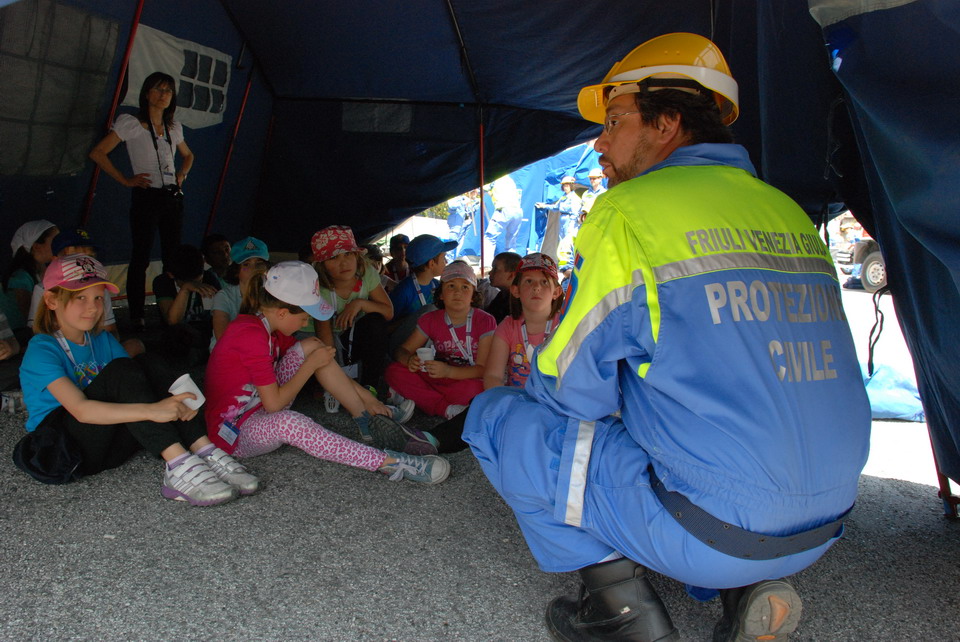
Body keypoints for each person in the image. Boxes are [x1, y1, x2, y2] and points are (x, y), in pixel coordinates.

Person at [464, 32, 871, 642]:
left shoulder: (631, 211)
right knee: (701, 424)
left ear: (667, 122)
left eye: (615, 120)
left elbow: (569, 387)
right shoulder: (785, 210)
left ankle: (620, 612)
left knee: (500, 418)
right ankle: (746, 590)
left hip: (710, 529)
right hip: (825, 525)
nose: (600, 142)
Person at [18, 254, 248, 505]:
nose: (93, 307)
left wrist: (178, 401)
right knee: (121, 370)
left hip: (108, 444)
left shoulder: (100, 339)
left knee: (146, 362)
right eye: (80, 297)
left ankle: (204, 449)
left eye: (98, 297)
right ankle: (178, 465)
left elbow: (135, 380)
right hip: (63, 451)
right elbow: (82, 411)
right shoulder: (42, 348)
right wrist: (154, 410)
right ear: (51, 300)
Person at [204, 260, 447, 482]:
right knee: (290, 423)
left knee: (313, 346)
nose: (305, 324)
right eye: (304, 317)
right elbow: (274, 405)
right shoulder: (251, 335)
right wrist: (310, 365)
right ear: (282, 312)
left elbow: (309, 360)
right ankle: (391, 464)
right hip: (236, 433)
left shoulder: (265, 324)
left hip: (256, 406)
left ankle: (364, 414)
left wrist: (368, 397)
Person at [89, 71, 195, 331]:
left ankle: (172, 312)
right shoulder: (132, 123)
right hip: (147, 196)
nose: (163, 95)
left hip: (171, 196)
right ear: (147, 93)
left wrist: (182, 174)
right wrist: (125, 180)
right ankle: (137, 315)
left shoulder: (173, 127)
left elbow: (189, 155)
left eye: (168, 91)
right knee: (141, 255)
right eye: (158, 89)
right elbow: (98, 152)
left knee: (172, 256)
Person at [387, 261, 495, 420]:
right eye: (451, 286)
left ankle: (421, 397)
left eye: (465, 287)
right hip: (436, 374)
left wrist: (449, 371)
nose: (457, 292)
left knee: (476, 390)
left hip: (466, 379)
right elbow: (402, 351)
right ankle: (446, 408)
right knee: (394, 371)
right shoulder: (430, 319)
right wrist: (409, 360)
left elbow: (483, 369)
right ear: (441, 294)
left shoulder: (485, 321)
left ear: (473, 295)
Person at [26, 228, 145, 359]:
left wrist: (97, 349)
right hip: (63, 355)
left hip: (95, 353)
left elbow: (110, 330)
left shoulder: (99, 288)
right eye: (75, 257)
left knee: (135, 346)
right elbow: (38, 332)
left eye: (90, 257)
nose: (84, 262)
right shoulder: (44, 290)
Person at [483, 253, 563, 390]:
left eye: (544, 282)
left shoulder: (564, 325)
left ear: (556, 292)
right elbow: (493, 376)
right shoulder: (508, 326)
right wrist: (504, 399)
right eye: (529, 281)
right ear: (516, 290)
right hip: (516, 398)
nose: (536, 287)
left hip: (554, 399)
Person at [3, 220, 59, 346]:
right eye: (54, 241)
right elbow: (32, 317)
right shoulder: (20, 278)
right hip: (17, 339)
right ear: (37, 246)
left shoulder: (42, 272)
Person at [210, 236, 271, 351]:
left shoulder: (272, 294)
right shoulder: (224, 296)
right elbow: (222, 338)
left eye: (259, 264)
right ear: (236, 271)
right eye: (246, 264)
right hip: (228, 354)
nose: (254, 269)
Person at [536, 176, 581, 258]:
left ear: (571, 186)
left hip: (569, 220)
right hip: (562, 219)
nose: (565, 187)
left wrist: (571, 226)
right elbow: (555, 207)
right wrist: (544, 206)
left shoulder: (574, 198)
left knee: (568, 242)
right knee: (561, 242)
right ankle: (563, 261)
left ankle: (569, 262)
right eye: (564, 185)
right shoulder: (564, 196)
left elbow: (575, 213)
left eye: (567, 185)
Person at [481, 251, 522, 324]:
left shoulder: (519, 303)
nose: (490, 273)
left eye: (495, 269)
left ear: (511, 275)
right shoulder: (502, 296)